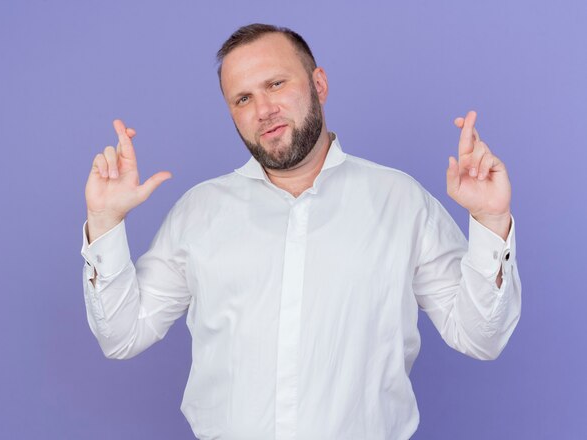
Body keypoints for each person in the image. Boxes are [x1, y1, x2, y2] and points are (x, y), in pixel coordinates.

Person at [80, 23, 521, 440]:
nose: (264, 110)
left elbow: (480, 337)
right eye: (243, 98)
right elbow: (122, 336)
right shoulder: (199, 213)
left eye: (276, 84)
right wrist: (104, 222)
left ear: (319, 85)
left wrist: (490, 222)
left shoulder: (400, 201)